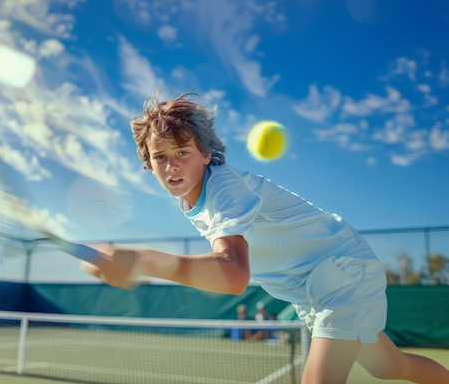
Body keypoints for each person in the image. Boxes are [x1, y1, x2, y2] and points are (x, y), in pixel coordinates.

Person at [81, 92, 449, 384]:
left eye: (182, 152)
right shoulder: (193, 201)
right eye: (160, 156)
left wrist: (142, 260)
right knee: (390, 367)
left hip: (342, 272)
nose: (171, 164)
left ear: (207, 155)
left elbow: (234, 274)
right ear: (148, 164)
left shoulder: (223, 187)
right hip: (314, 291)